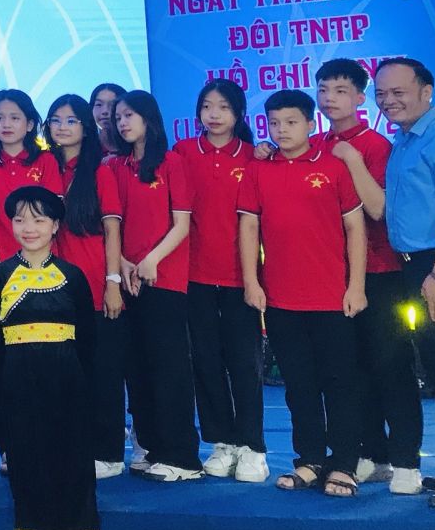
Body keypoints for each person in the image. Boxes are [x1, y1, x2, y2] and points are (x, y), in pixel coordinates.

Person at [240, 88, 367, 498]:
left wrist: (357, 286)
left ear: (311, 124)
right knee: (298, 385)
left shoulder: (333, 166)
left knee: (340, 384)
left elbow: (355, 228)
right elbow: (248, 228)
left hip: (333, 297)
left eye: (291, 122)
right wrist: (251, 282)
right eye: (274, 123)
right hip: (281, 298)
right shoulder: (258, 169)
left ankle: (344, 464)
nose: (282, 130)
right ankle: (309, 460)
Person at [315, 58, 422, 494]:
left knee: (390, 366)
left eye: (341, 90)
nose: (329, 98)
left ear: (361, 98)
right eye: (323, 90)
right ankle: (372, 454)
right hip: (334, 275)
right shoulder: (315, 144)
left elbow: (379, 210)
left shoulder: (377, 145)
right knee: (352, 369)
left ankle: (406, 461)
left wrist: (352, 159)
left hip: (381, 271)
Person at [0, 186, 102, 530]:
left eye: (38, 219)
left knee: (72, 460)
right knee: (27, 461)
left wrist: (86, 392)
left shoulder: (73, 276)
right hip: (18, 383)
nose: (28, 228)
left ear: (54, 226)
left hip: (68, 382)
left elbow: (88, 342)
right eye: (20, 220)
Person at [376, 56, 435, 508]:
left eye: (398, 92)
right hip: (416, 268)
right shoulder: (404, 140)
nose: (388, 101)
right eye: (381, 93)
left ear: (426, 92)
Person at [176, 80, 268, 484]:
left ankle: (252, 446)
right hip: (193, 276)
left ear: (239, 113)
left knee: (244, 364)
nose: (214, 114)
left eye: (224, 107)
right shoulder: (181, 153)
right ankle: (221, 441)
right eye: (207, 106)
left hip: (240, 277)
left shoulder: (254, 156)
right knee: (205, 361)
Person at [113, 89, 200, 482]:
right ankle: (150, 447)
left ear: (149, 118)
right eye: (118, 117)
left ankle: (182, 457)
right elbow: (113, 224)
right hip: (128, 277)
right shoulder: (118, 166)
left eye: (129, 115)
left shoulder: (171, 162)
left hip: (164, 277)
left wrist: (151, 260)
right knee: (138, 367)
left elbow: (181, 224)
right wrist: (123, 263)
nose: (123, 122)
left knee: (169, 367)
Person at [45, 95, 128, 481]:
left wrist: (113, 283)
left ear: (86, 127)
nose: (62, 127)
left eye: (71, 120)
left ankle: (108, 453)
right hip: (55, 287)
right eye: (55, 120)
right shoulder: (46, 167)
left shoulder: (100, 170)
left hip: (95, 283)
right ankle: (73, 447)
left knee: (102, 373)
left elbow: (112, 230)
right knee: (65, 373)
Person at [0, 89, 63, 268]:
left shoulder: (46, 160)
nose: (6, 124)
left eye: (14, 118)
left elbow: (52, 217)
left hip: (42, 265)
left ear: (30, 124)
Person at [91, 83, 128, 157]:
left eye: (112, 105)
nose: (105, 111)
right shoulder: (85, 149)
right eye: (99, 104)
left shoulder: (136, 150)